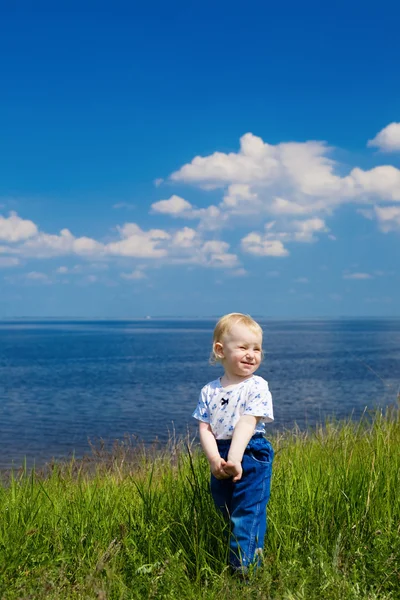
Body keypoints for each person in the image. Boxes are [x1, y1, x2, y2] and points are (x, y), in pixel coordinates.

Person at [193, 313, 274, 575]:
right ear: (220, 350)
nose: (251, 354)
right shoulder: (210, 391)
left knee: (246, 515)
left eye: (257, 348)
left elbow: (247, 423)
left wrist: (236, 458)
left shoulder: (257, 386)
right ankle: (248, 560)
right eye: (243, 347)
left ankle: (244, 574)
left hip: (250, 453)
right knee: (226, 512)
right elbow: (204, 428)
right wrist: (215, 459)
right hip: (222, 454)